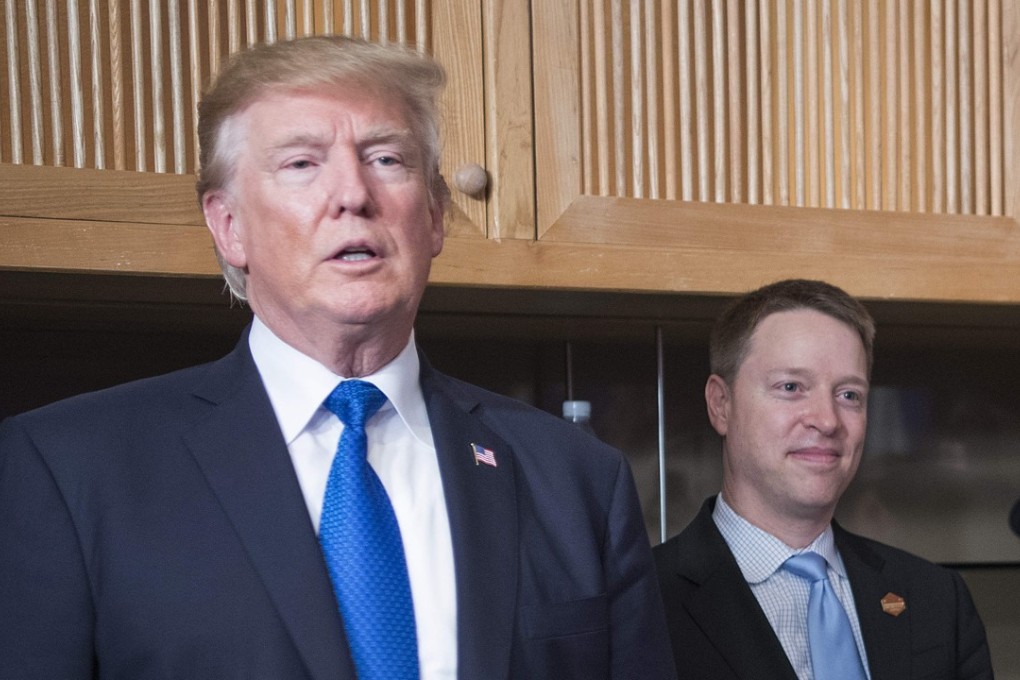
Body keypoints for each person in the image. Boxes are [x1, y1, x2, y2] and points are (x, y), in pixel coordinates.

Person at [0, 36, 676, 680]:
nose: (353, 194)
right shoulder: (66, 471)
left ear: (435, 217)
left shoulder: (578, 481)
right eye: (302, 163)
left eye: (387, 159)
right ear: (229, 226)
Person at [654, 279, 993, 680]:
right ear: (721, 404)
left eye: (849, 395)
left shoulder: (936, 599)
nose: (828, 420)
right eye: (791, 387)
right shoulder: (643, 600)